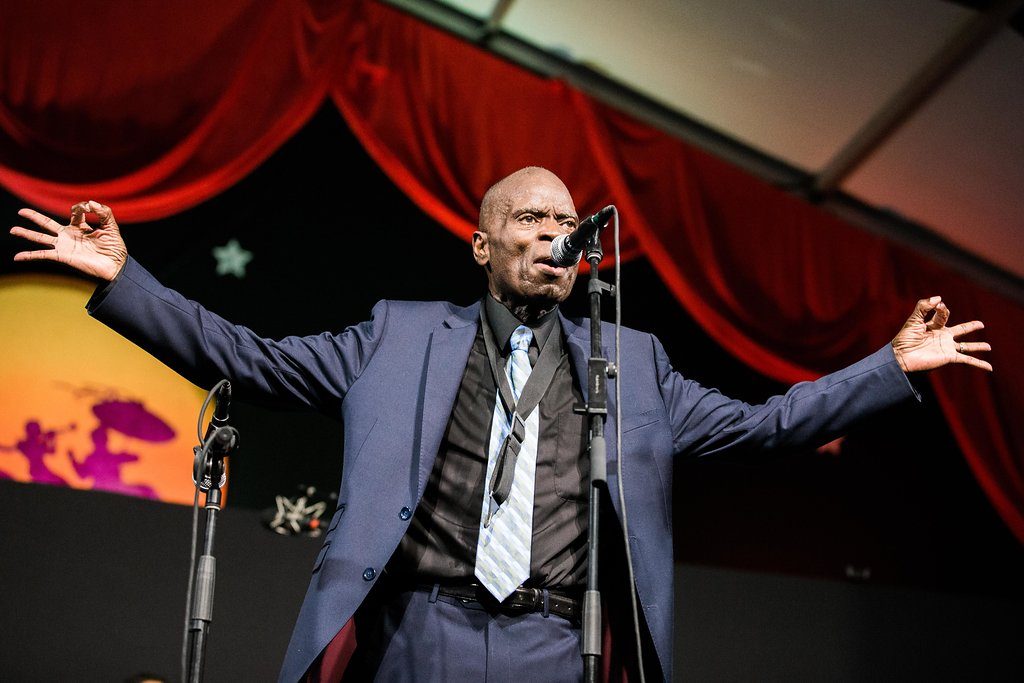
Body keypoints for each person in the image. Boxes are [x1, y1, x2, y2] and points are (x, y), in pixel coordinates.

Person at [10, 167, 992, 682]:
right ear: (481, 244)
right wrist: (126, 284)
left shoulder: (631, 361)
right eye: (526, 218)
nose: (549, 232)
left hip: (556, 644)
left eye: (563, 220)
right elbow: (256, 359)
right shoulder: (396, 336)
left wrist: (887, 366)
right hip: (414, 632)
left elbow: (764, 424)